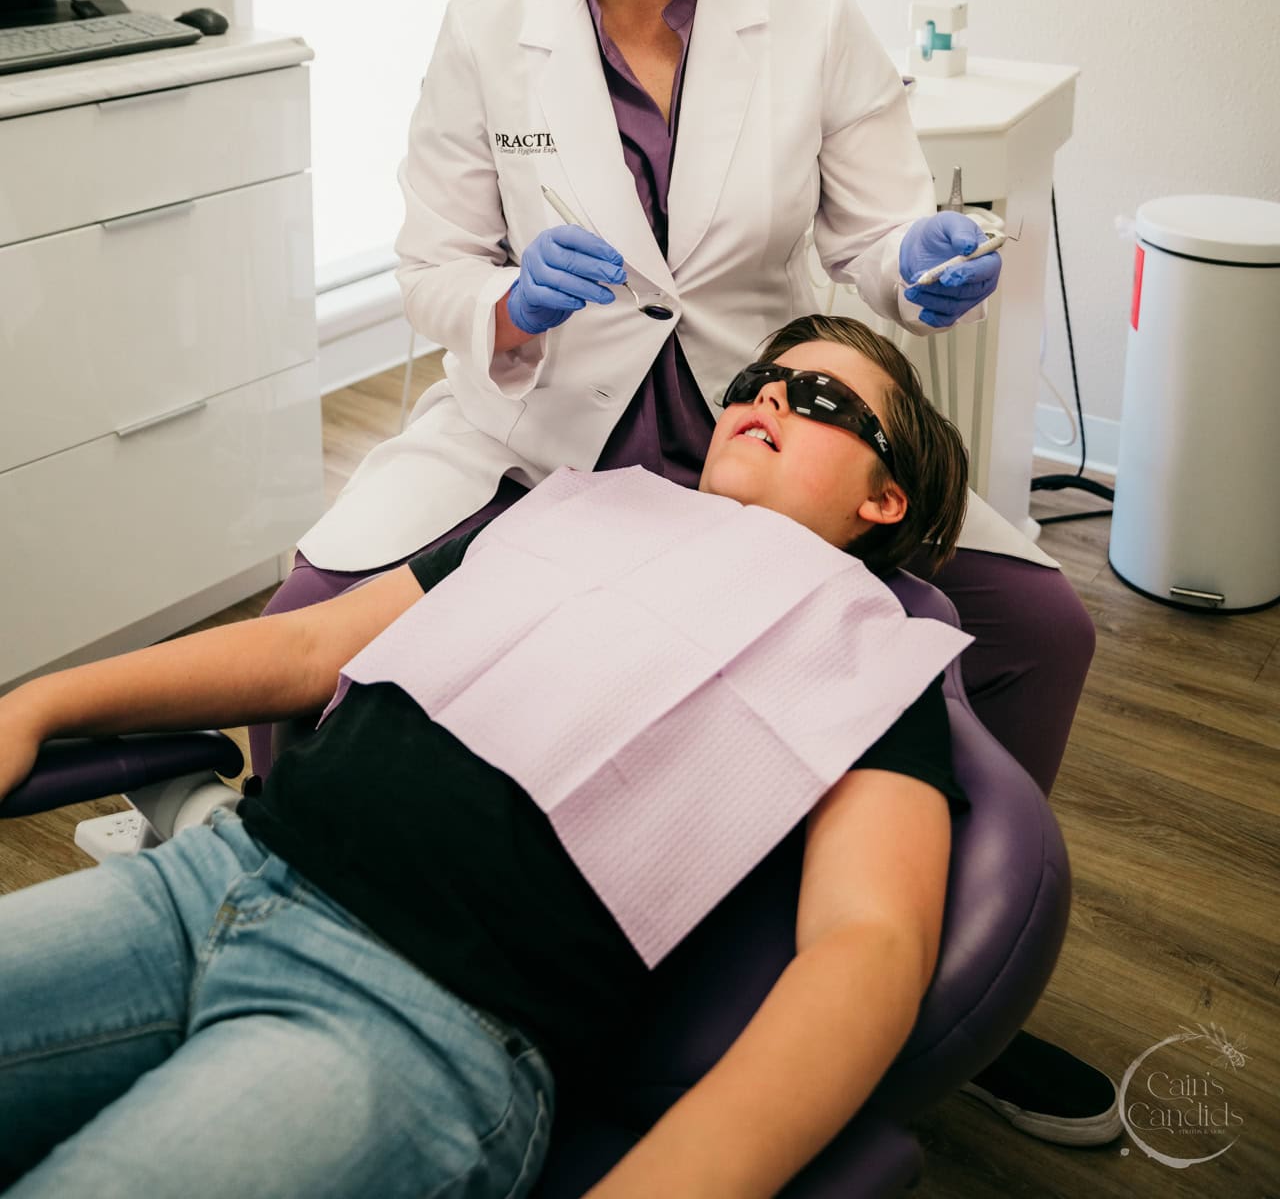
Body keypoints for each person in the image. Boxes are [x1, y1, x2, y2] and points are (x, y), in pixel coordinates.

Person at [254, 0, 1110, 1141]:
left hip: (755, 430)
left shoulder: (813, 17)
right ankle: (317, 907)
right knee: (314, 607)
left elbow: (875, 236)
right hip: (546, 431)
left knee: (1040, 625)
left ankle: (965, 992)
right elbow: (432, 267)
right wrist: (512, 305)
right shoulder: (486, 34)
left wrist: (916, 264)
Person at [0, 319, 971, 1199]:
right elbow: (309, 647)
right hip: (215, 879)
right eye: (760, 380)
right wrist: (37, 704)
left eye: (820, 400)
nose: (768, 398)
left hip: (416, 1022)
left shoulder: (871, 654)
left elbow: (867, 942)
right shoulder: (580, 509)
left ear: (884, 498)